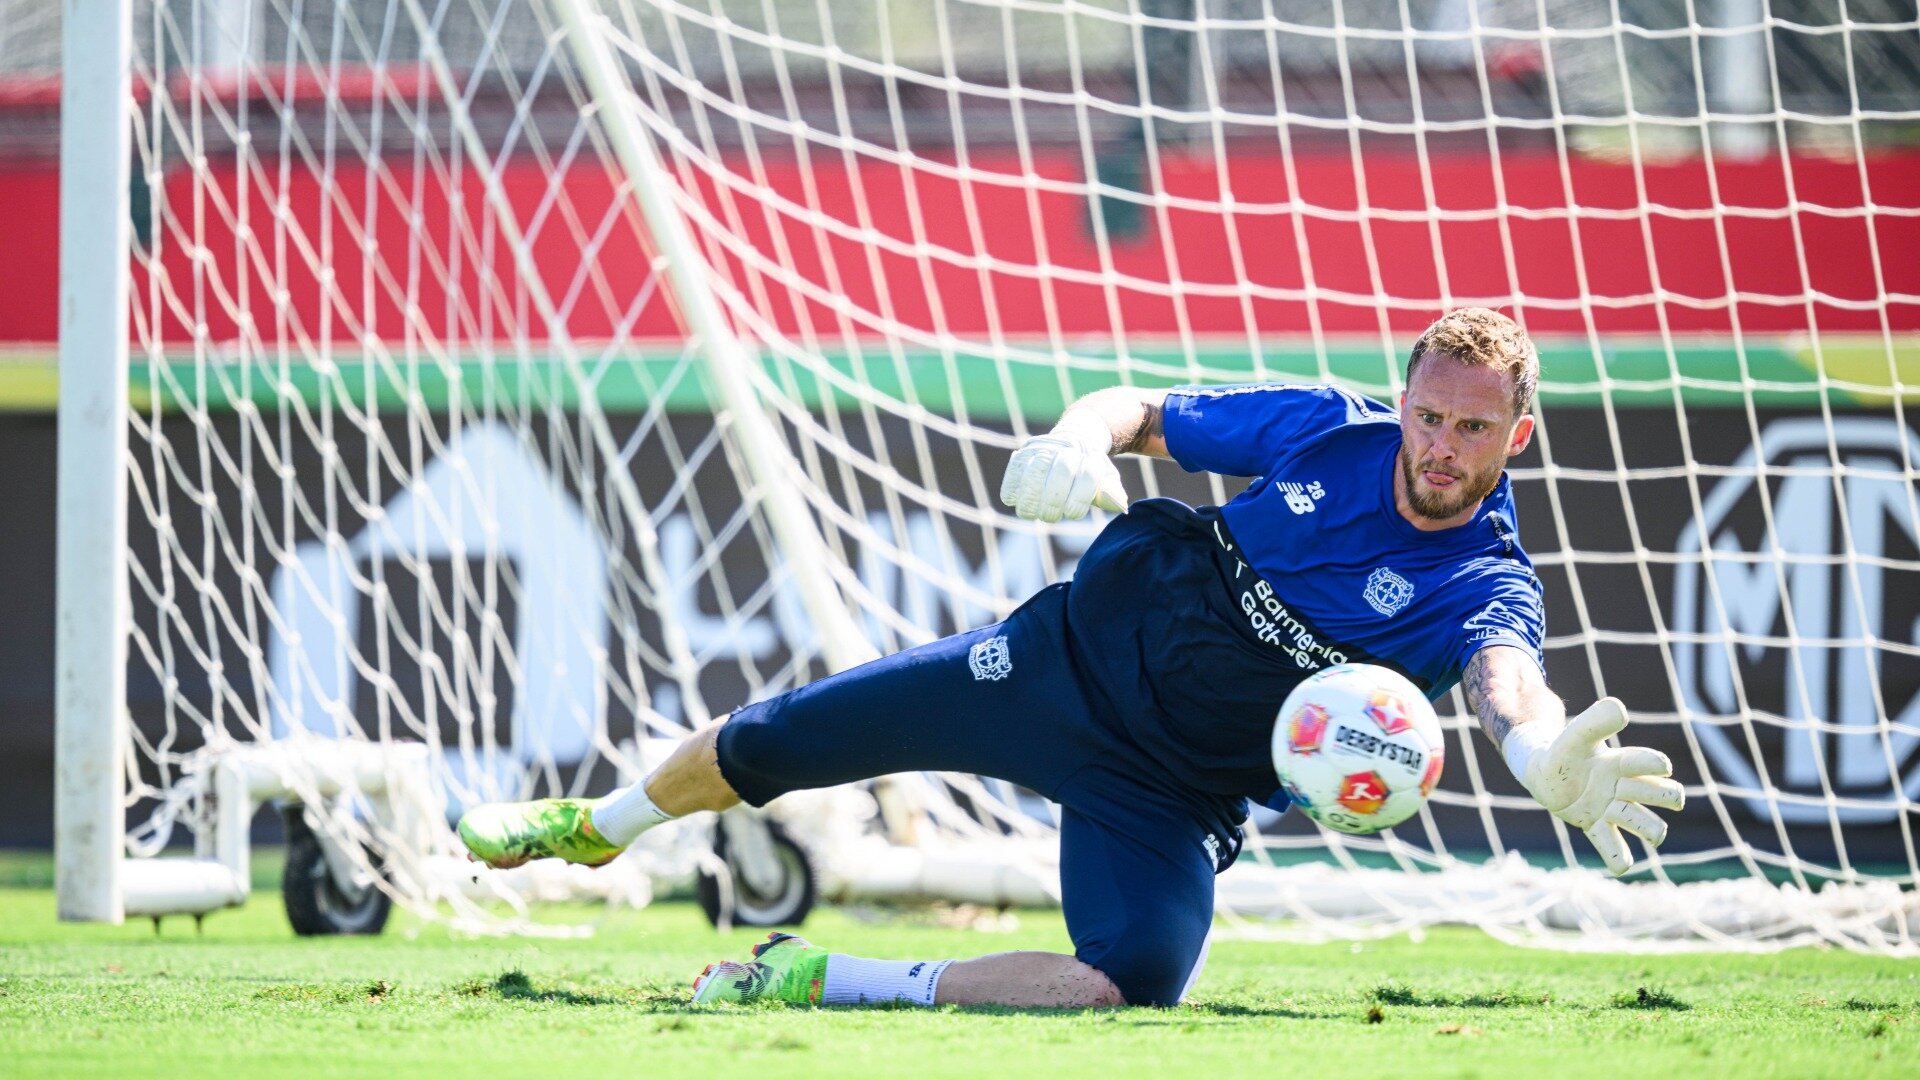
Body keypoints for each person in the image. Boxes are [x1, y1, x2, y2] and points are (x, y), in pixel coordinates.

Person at [456, 307, 1683, 1009]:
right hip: (1058, 670)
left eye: (1473, 429)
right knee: (783, 739)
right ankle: (597, 823)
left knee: (1131, 983)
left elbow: (1506, 679)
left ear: (1516, 435)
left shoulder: (1485, 582)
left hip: (1174, 787)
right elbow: (1139, 410)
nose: (1440, 446)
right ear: (1403, 397)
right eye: (1429, 414)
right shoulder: (1329, 432)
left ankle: (817, 979)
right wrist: (1071, 437)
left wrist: (1538, 753)